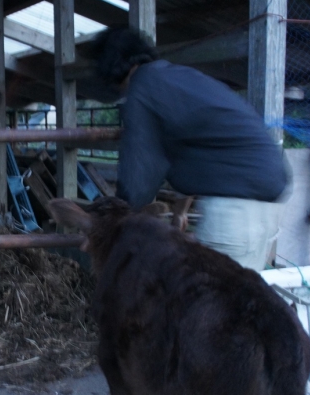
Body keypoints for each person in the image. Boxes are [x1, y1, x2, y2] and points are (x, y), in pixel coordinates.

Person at [92, 27, 290, 271]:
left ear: (108, 67)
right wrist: (179, 211)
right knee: (240, 297)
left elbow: (140, 173)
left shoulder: (142, 87)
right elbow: (195, 149)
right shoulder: (178, 78)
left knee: (216, 304)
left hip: (235, 210)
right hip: (267, 199)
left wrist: (111, 223)